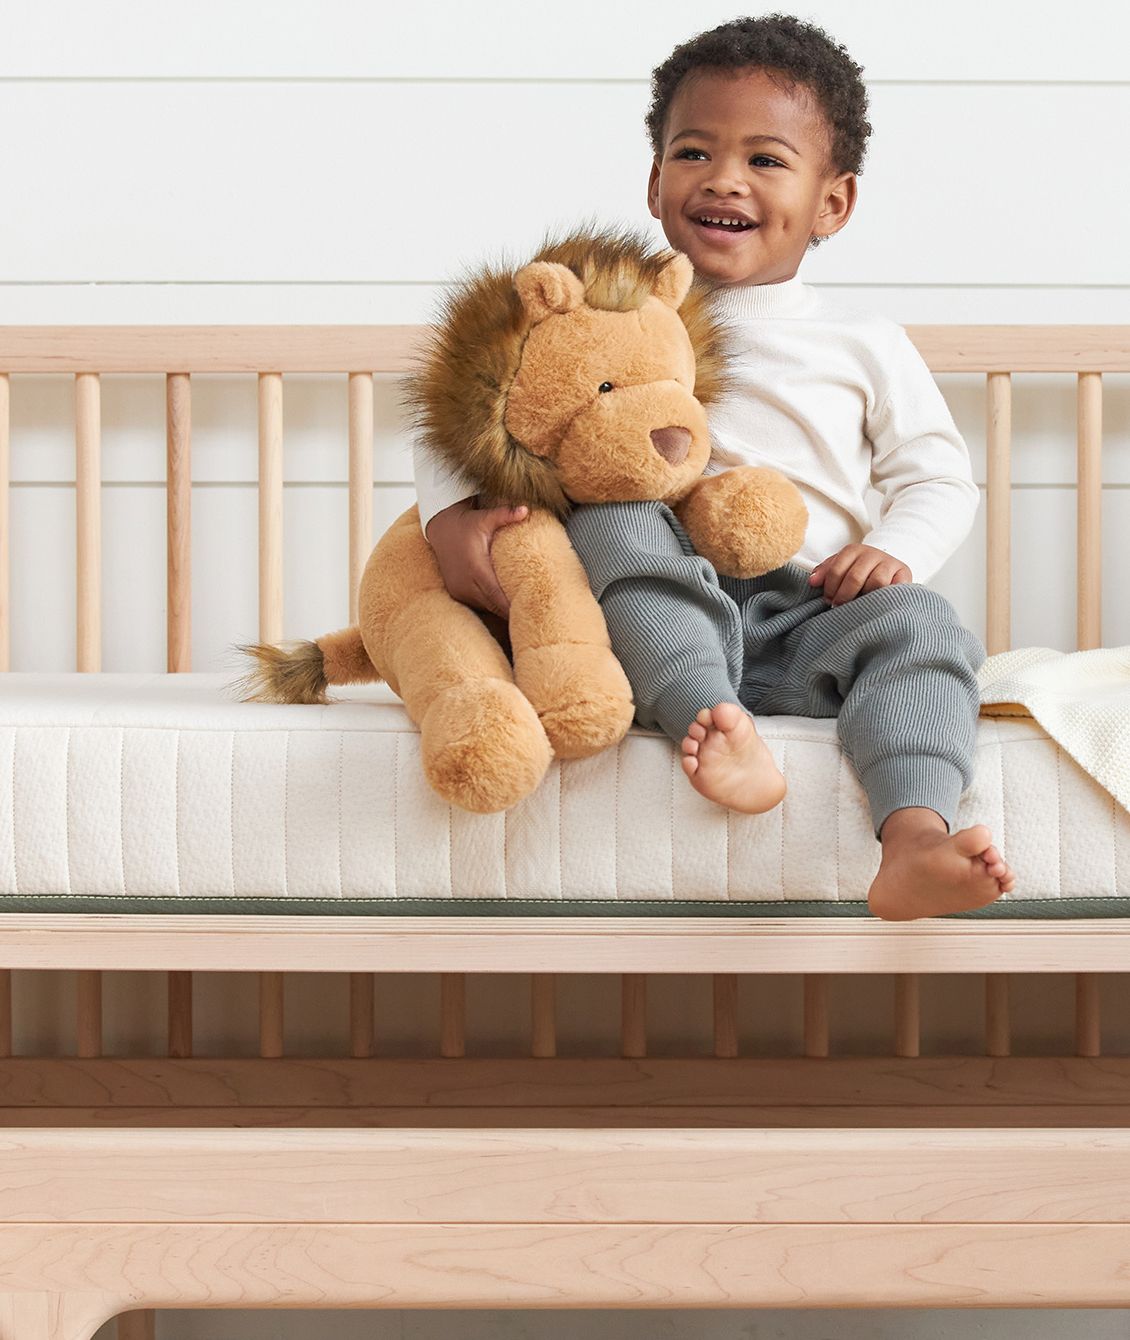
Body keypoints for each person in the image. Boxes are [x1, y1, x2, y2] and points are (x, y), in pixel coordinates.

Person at [416, 15, 1013, 921]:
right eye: (694, 152)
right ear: (656, 183)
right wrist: (448, 517)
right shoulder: (597, 310)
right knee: (615, 517)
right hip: (641, 610)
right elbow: (475, 399)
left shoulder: (861, 344)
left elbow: (938, 477)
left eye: (766, 160)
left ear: (832, 203)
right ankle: (710, 717)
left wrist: (893, 553)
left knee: (925, 626)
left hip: (810, 613)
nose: (724, 178)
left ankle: (915, 835)